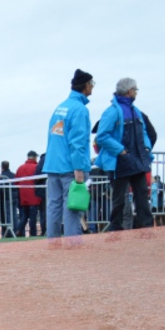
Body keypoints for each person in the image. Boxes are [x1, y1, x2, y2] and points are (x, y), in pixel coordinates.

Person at [95, 77, 154, 230]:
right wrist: (120, 150)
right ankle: (116, 229)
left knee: (142, 195)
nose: (136, 93)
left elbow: (144, 132)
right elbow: (102, 136)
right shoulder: (112, 112)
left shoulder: (136, 111)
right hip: (119, 162)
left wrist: (147, 148)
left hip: (137, 159)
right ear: (130, 91)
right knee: (119, 198)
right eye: (136, 90)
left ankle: (146, 227)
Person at [45, 69, 96, 238]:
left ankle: (52, 241)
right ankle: (72, 243)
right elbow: (78, 142)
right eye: (92, 84)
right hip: (70, 166)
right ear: (86, 85)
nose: (93, 87)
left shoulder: (61, 107)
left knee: (54, 205)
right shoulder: (80, 109)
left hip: (53, 164)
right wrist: (79, 168)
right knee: (73, 205)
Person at [15, 150, 43, 236]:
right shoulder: (36, 167)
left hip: (23, 195)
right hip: (34, 194)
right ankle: (33, 232)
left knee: (25, 215)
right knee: (33, 216)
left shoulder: (20, 168)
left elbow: (16, 182)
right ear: (34, 157)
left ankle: (19, 230)